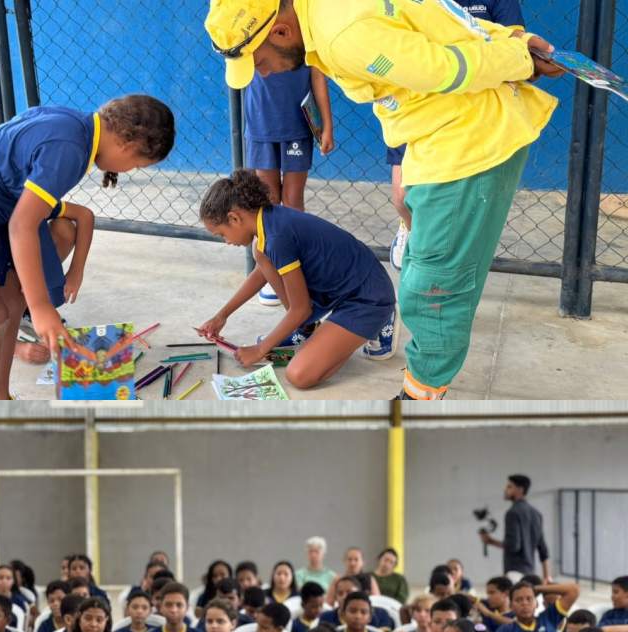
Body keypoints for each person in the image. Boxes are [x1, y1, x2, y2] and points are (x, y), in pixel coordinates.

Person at [204, 0, 562, 400]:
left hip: (469, 139)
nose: (264, 73)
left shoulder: (342, 36)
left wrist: (519, 57)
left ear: (281, 32)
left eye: (261, 63)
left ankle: (421, 398)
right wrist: (516, 39)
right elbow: (443, 20)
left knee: (433, 287)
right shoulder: (326, 14)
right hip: (438, 138)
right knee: (421, 269)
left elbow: (445, 67)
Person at [0, 96, 175, 399]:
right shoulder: (70, 149)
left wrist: (40, 297)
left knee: (11, 306)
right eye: (137, 165)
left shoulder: (76, 127)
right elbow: (21, 226)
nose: (128, 170)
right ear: (128, 147)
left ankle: (1, 399)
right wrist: (40, 308)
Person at [197, 170, 396, 390]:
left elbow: (300, 309)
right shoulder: (268, 221)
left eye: (222, 234)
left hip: (368, 298)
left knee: (299, 375)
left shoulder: (277, 237)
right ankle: (312, 330)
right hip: (338, 290)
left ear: (234, 218)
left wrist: (260, 349)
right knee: (260, 254)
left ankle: (378, 322)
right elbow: (261, 274)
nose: (225, 241)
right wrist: (221, 316)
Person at [384, 0, 526, 272]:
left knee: (452, 207)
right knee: (402, 198)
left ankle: (430, 259)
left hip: (473, 116)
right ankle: (413, 230)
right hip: (419, 109)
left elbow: (515, 43)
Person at [244, 63, 333, 308]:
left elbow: (318, 77)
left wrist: (327, 125)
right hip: (260, 126)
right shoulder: (248, 32)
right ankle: (271, 275)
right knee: (267, 202)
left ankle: (295, 272)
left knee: (293, 203)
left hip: (297, 127)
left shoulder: (303, 33)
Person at [479, 474, 551, 582]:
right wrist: (546, 577)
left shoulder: (512, 513)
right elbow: (543, 549)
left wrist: (490, 541)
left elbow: (513, 546)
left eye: (509, 487)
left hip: (514, 572)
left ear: (520, 489)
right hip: (530, 573)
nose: (505, 489)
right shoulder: (536, 514)